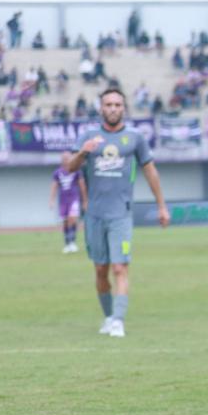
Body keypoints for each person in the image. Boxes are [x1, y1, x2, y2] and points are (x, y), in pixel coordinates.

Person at [65, 88, 170, 338]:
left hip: (121, 215)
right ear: (101, 108)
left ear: (124, 108)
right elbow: (70, 168)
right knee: (101, 271)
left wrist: (161, 205)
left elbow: (151, 171)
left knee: (120, 268)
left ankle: (118, 321)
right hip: (94, 217)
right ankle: (109, 317)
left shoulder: (135, 138)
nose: (113, 109)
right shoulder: (88, 136)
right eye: (108, 104)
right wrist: (83, 152)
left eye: (117, 105)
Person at [48, 151, 85, 253]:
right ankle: (67, 243)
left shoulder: (77, 171)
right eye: (64, 158)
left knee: (72, 219)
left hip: (74, 198)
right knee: (65, 221)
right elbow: (54, 186)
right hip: (63, 200)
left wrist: (85, 200)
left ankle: (73, 242)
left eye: (68, 158)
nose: (66, 160)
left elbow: (82, 186)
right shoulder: (57, 173)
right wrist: (51, 200)